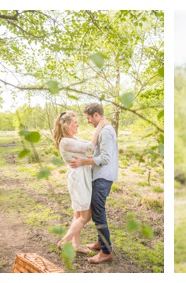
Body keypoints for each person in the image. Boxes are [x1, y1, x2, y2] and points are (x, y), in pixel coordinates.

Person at [69, 103, 119, 264]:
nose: (88, 121)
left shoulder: (106, 132)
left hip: (103, 178)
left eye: (89, 118)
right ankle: (101, 242)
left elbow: (105, 158)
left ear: (96, 115)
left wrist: (84, 161)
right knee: (97, 212)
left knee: (98, 213)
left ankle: (106, 252)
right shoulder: (104, 130)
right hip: (100, 177)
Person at [53, 110, 106, 254]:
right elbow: (90, 147)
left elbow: (88, 150)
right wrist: (100, 126)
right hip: (78, 178)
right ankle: (64, 242)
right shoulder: (65, 141)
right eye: (75, 123)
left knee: (78, 214)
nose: (78, 125)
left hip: (82, 175)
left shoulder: (74, 139)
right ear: (67, 125)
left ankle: (76, 245)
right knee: (86, 216)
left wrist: (94, 159)